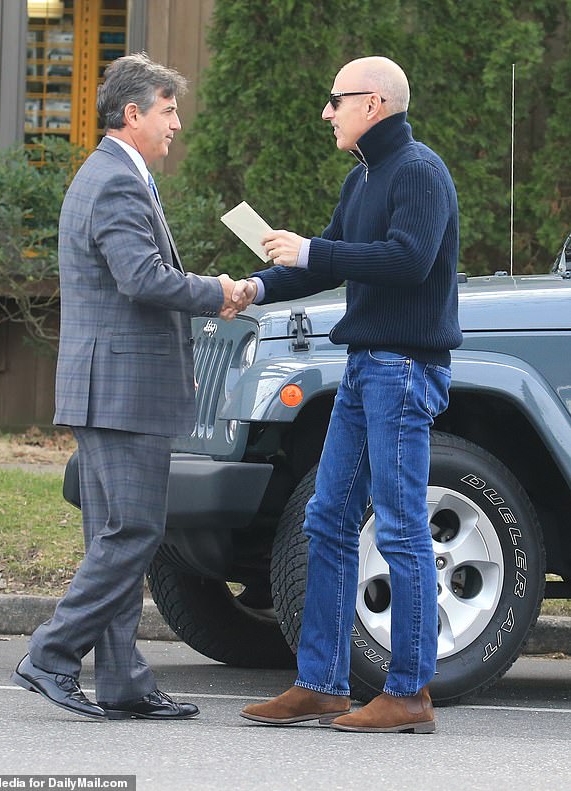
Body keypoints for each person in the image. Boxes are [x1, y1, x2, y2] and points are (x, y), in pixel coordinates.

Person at [12, 52, 251, 721]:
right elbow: (141, 278)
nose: (177, 122)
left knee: (115, 534)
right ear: (132, 114)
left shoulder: (115, 175)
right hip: (122, 393)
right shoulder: (117, 181)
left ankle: (123, 680)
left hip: (112, 389)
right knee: (133, 532)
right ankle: (52, 655)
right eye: (168, 110)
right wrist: (219, 292)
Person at [238, 55, 462, 733]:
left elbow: (406, 260)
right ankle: (323, 684)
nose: (327, 112)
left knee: (397, 528)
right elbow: (325, 255)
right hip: (368, 366)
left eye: (336, 100)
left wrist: (313, 253)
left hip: (401, 367)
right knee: (328, 518)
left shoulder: (420, 170)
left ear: (373, 104)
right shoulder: (363, 177)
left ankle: (410, 693)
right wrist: (250, 288)